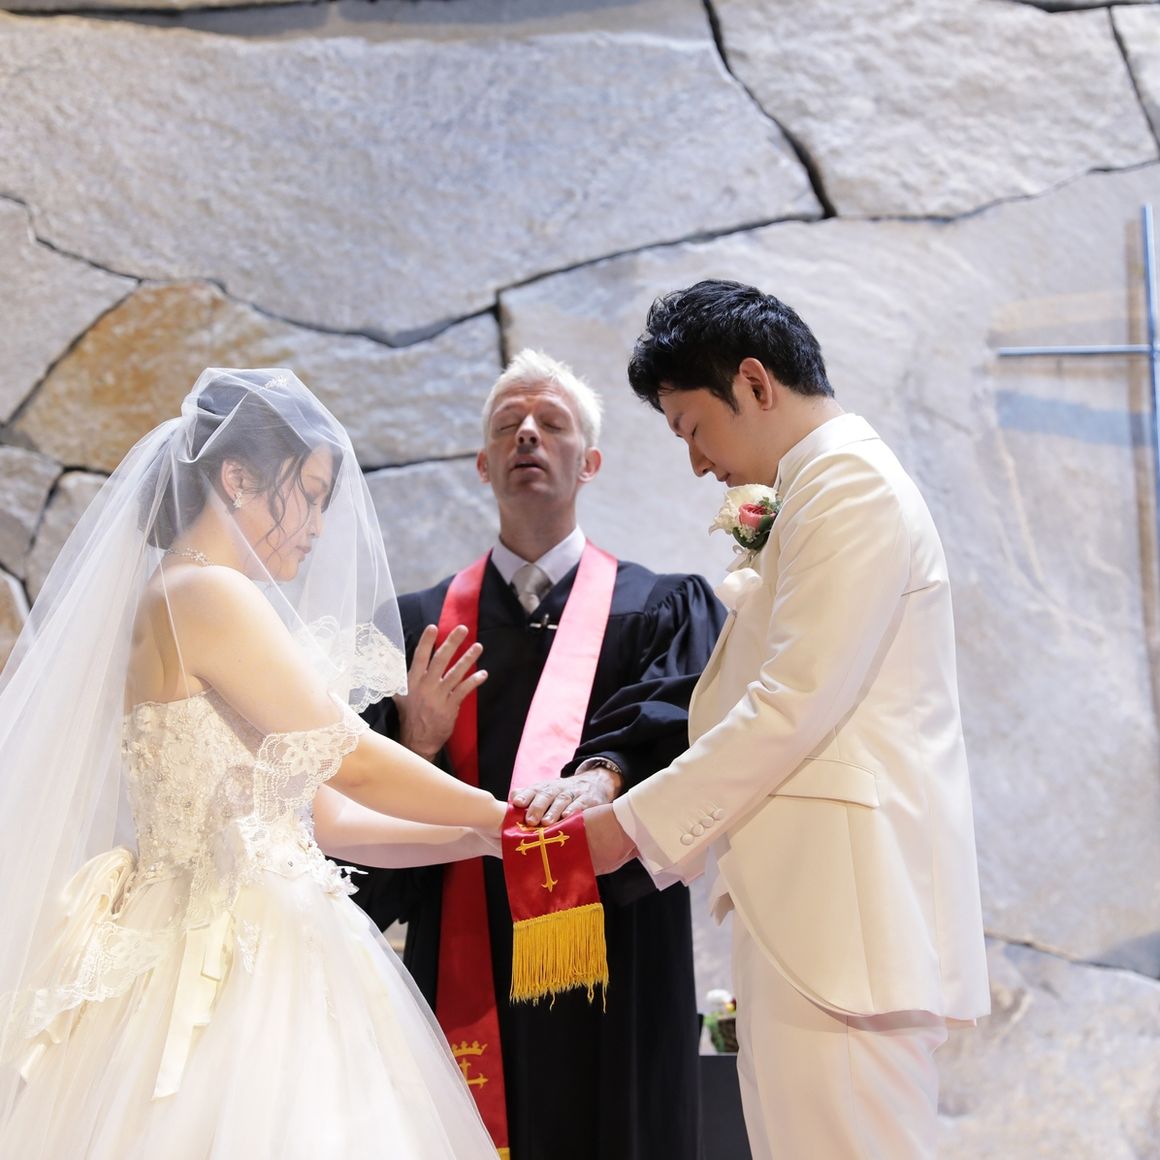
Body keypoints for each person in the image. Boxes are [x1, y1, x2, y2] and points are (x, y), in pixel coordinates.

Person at [0, 368, 505, 1158]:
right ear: (236, 479)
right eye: (310, 494)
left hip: (236, 924)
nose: (318, 526)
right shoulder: (205, 594)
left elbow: (329, 821)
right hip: (233, 952)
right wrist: (502, 810)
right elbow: (349, 758)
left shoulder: (197, 595)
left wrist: (482, 840)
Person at [583, 281, 991, 1159]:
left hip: (845, 924)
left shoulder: (849, 483)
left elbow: (792, 701)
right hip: (811, 922)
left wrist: (629, 829)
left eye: (693, 428)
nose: (697, 462)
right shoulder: (814, 488)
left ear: (755, 383)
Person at [353, 350, 727, 1160]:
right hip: (466, 949)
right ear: (482, 464)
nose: (528, 434)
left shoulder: (662, 610)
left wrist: (608, 772)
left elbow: (689, 744)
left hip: (617, 956)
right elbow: (357, 814)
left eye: (552, 423)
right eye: (507, 427)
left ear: (589, 463)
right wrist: (417, 740)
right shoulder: (418, 628)